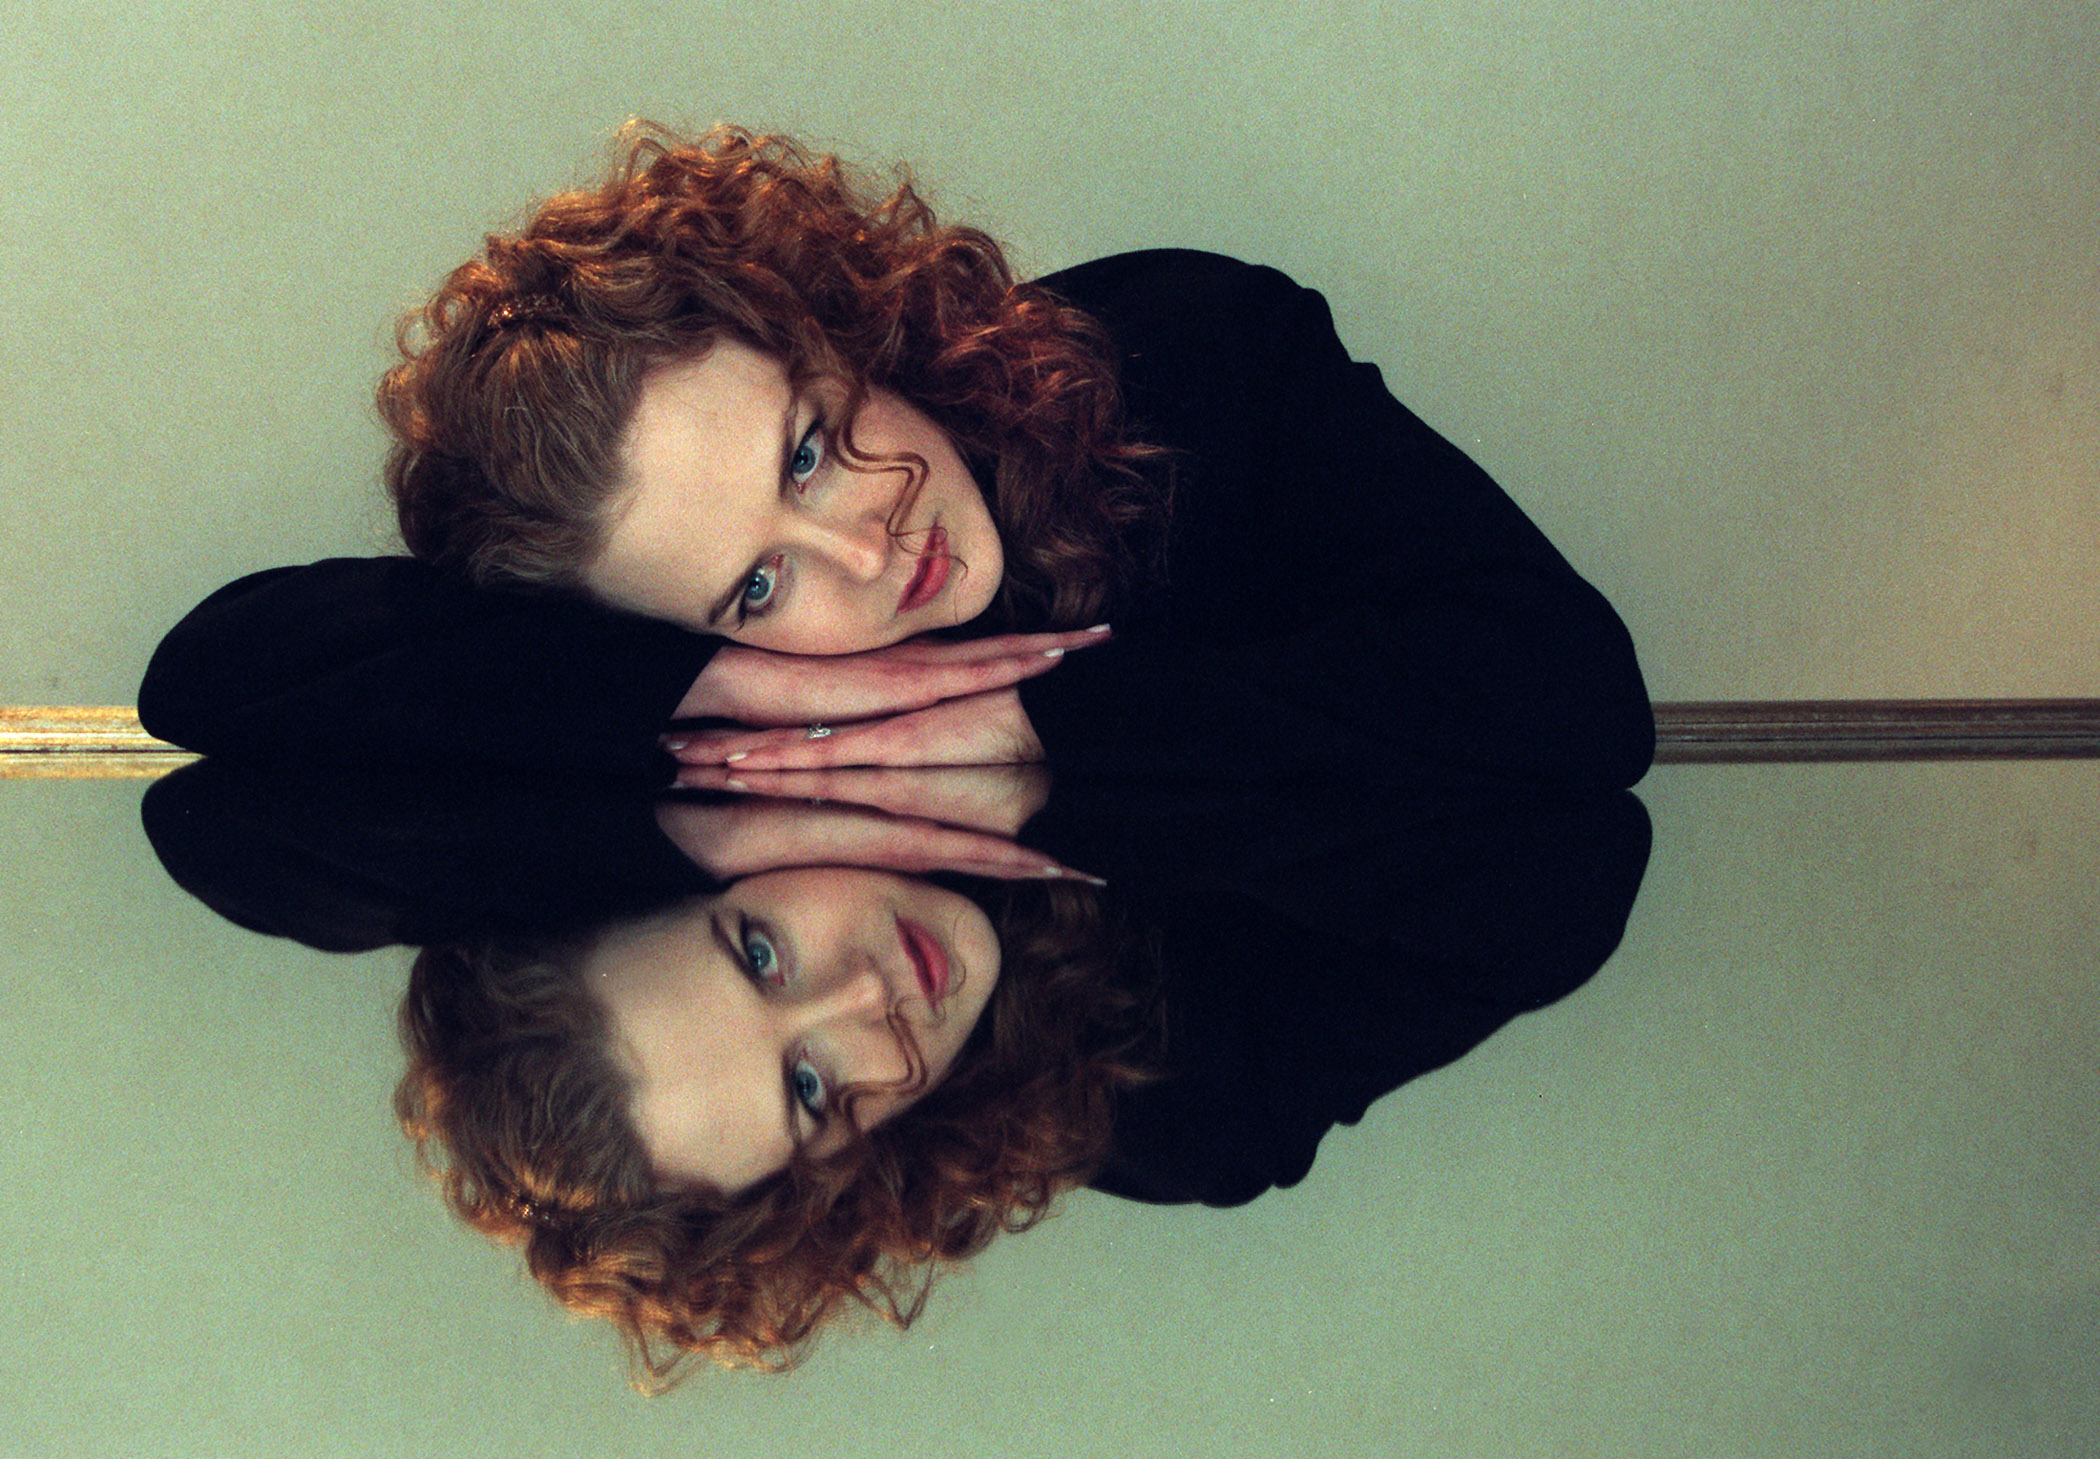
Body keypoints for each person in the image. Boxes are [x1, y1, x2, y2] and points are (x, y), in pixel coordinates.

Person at [138, 125, 1654, 792]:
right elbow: (210, 677)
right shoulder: (848, 1031)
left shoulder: (1195, 350)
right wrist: (715, 683)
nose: (864, 548)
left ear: (835, 327)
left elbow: (1568, 690)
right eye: (755, 586)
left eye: (808, 451)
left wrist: (1044, 726)